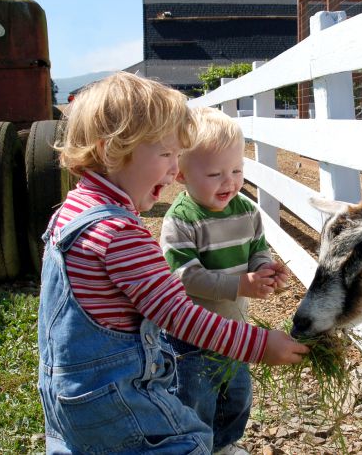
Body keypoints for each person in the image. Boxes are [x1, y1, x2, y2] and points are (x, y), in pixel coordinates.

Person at [36, 72, 308, 455]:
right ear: (111, 150)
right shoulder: (119, 235)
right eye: (165, 154)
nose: (173, 169)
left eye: (177, 155)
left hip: (65, 390)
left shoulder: (72, 213)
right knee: (189, 442)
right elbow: (180, 316)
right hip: (111, 395)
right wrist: (259, 344)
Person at [159, 106, 289, 455]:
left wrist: (265, 269)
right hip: (190, 337)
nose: (229, 181)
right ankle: (193, 447)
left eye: (237, 170)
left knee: (236, 396)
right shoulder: (181, 220)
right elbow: (185, 277)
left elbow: (258, 248)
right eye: (215, 173)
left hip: (233, 328)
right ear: (181, 176)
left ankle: (223, 445)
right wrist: (240, 285)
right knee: (194, 399)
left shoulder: (246, 211)